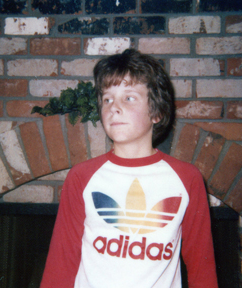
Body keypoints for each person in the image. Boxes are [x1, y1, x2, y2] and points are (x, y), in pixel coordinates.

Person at [39, 49, 218, 288]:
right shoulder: (82, 177)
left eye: (129, 98)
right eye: (107, 99)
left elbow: (201, 267)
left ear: (157, 112)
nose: (114, 107)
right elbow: (60, 264)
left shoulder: (186, 179)